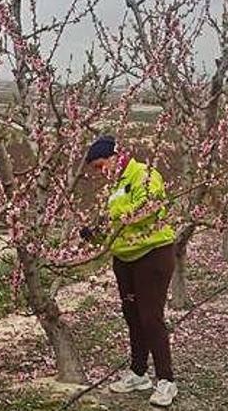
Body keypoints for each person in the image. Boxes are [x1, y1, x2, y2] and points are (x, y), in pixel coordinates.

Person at [80, 135, 179, 408]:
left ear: (114, 157)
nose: (101, 173)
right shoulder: (114, 188)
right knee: (132, 316)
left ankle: (166, 380)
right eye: (97, 170)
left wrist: (113, 216)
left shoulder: (144, 175)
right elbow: (116, 230)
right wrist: (95, 234)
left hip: (153, 254)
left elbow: (146, 209)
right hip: (125, 259)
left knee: (151, 318)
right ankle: (138, 373)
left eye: (102, 166)